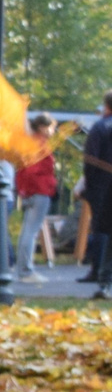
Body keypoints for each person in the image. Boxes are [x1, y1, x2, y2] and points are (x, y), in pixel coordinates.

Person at [12, 113, 58, 281]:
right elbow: (33, 171)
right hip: (39, 191)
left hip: (30, 191)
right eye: (51, 127)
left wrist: (23, 190)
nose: (53, 131)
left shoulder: (28, 143)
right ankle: (26, 270)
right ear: (42, 127)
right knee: (31, 231)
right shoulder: (40, 144)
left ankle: (23, 268)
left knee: (27, 230)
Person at [83, 93, 112, 297]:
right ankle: (104, 278)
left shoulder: (101, 126)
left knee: (103, 230)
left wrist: (90, 182)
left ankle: (103, 277)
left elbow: (90, 159)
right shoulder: (103, 127)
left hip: (103, 186)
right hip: (105, 185)